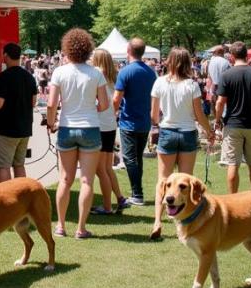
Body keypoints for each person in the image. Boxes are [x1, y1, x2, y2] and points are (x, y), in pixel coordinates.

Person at [47, 28, 109, 239]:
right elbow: (105, 105)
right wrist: (91, 108)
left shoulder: (59, 72)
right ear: (88, 49)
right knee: (87, 181)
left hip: (66, 126)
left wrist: (51, 121)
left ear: (67, 49)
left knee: (65, 179)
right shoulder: (96, 73)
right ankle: (81, 228)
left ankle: (61, 225)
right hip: (90, 126)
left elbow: (52, 103)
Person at [149, 46, 213, 240]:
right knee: (186, 183)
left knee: (163, 180)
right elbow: (199, 114)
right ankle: (188, 222)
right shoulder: (191, 85)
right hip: (187, 133)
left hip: (167, 131)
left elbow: (153, 114)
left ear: (169, 61)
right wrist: (209, 131)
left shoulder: (159, 82)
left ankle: (157, 221)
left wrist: (161, 123)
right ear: (187, 63)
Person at [213, 42, 251, 193]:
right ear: (248, 55)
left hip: (232, 125)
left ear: (231, 57)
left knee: (232, 164)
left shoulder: (226, 75)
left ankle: (233, 199)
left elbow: (220, 102)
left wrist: (217, 120)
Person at [113, 36, 157, 206]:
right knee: (137, 158)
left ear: (128, 51)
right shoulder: (150, 72)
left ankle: (137, 194)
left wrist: (111, 113)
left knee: (130, 158)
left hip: (129, 122)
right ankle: (137, 192)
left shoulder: (125, 71)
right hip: (144, 121)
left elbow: (117, 99)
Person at [0, 42, 37, 182]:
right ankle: (22, 197)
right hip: (24, 129)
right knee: (19, 164)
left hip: (6, 129)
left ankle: (5, 199)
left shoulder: (3, 77)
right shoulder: (29, 77)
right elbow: (33, 103)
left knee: (4, 167)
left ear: (5, 56)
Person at [89, 48, 129, 215]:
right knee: (107, 167)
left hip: (100, 125)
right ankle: (119, 198)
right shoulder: (113, 77)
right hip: (110, 125)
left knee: (100, 169)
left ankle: (106, 206)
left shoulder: (96, 75)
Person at [206, 45, 230, 113]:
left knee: (214, 103)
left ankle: (217, 119)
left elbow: (209, 75)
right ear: (222, 52)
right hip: (223, 86)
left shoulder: (211, 62)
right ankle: (221, 118)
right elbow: (229, 75)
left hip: (214, 85)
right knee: (223, 104)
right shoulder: (225, 61)